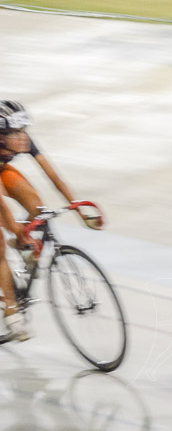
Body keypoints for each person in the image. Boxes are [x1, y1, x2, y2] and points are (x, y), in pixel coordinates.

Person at [0, 101, 101, 341]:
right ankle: (12, 311)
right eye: (17, 133)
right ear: (2, 136)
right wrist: (17, 232)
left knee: (37, 207)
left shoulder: (23, 140)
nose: (24, 138)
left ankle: (21, 246)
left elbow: (52, 175)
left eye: (25, 130)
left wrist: (77, 208)